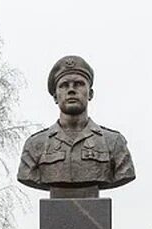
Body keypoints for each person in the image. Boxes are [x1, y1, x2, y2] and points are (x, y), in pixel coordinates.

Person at [17, 55, 135, 194]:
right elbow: (26, 175)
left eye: (78, 84)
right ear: (55, 97)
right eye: (64, 85)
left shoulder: (114, 142)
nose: (71, 90)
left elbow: (124, 173)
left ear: (90, 94)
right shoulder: (35, 145)